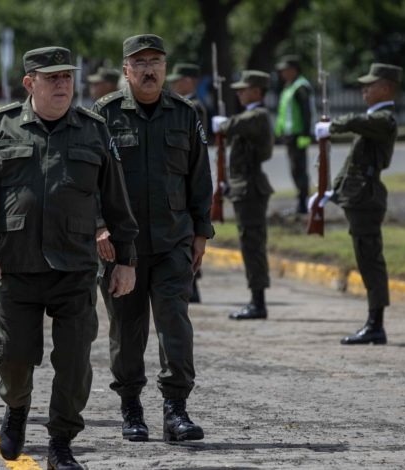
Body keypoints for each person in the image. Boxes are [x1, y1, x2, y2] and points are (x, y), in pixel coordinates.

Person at [0, 46, 138, 469]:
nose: (62, 85)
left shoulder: (93, 130)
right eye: (51, 78)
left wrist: (126, 261)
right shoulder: (1, 126)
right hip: (16, 268)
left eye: (66, 77)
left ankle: (61, 442)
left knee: (75, 363)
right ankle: (17, 407)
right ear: (30, 83)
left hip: (75, 268)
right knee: (13, 357)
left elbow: (117, 203)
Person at [92, 34, 213, 443]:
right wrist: (97, 226)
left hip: (172, 242)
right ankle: (131, 408)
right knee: (127, 331)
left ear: (165, 68)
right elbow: (85, 178)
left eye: (156, 61)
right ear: (126, 69)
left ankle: (176, 410)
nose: (148, 69)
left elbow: (200, 178)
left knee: (174, 324)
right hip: (120, 247)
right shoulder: (104, 114)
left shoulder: (184, 113)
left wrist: (201, 232)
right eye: (140, 62)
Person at [314, 63, 401, 345]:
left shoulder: (384, 119)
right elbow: (352, 164)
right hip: (358, 196)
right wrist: (329, 191)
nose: (364, 89)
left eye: (371, 84)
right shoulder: (371, 119)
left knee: (370, 260)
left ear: (386, 88)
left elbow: (357, 123)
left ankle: (376, 325)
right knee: (366, 258)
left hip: (367, 197)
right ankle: (373, 322)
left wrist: (333, 126)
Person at [211, 70, 275, 320]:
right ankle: (256, 299)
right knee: (249, 243)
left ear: (257, 91)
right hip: (243, 185)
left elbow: (234, 126)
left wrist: (224, 124)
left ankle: (258, 302)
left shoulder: (257, 115)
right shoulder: (251, 116)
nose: (238, 92)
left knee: (253, 244)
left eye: (243, 88)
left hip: (251, 188)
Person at [167, 62, 208, 303]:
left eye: (178, 79)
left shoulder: (194, 108)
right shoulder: (181, 106)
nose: (173, 84)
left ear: (190, 81)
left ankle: (193, 281)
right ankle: (193, 284)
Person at [275, 54, 315, 215]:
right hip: (290, 135)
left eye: (285, 70)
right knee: (294, 168)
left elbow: (307, 113)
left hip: (299, 135)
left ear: (294, 70)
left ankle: (303, 203)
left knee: (299, 169)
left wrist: (305, 135)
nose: (282, 73)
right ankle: (301, 202)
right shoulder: (289, 86)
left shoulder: (300, 87)